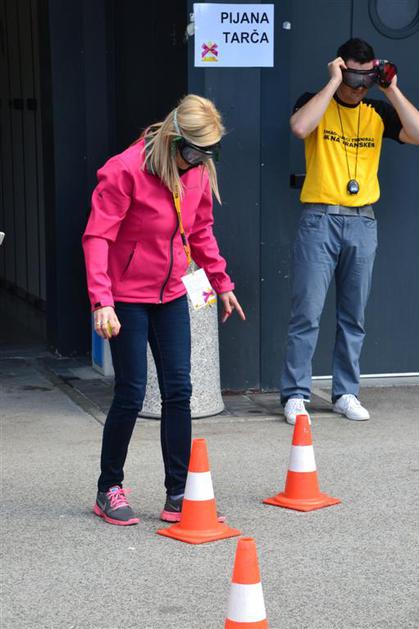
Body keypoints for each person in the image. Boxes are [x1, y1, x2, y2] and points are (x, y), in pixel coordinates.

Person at [82, 94, 245, 525]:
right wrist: (102, 301)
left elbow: (200, 231)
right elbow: (97, 237)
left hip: (171, 292)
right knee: (131, 392)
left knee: (179, 391)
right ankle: (108, 488)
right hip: (126, 297)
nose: (200, 162)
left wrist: (221, 283)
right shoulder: (124, 171)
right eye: (194, 153)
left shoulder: (198, 170)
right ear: (175, 140)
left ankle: (178, 492)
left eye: (209, 154)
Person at [281, 38, 419, 425]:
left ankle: (345, 392)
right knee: (307, 313)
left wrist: (389, 88)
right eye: (352, 78)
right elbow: (299, 127)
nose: (358, 87)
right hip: (320, 218)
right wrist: (332, 82)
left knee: (353, 315)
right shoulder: (315, 101)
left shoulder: (377, 110)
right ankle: (295, 394)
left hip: (362, 220)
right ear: (340, 69)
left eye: (365, 79)